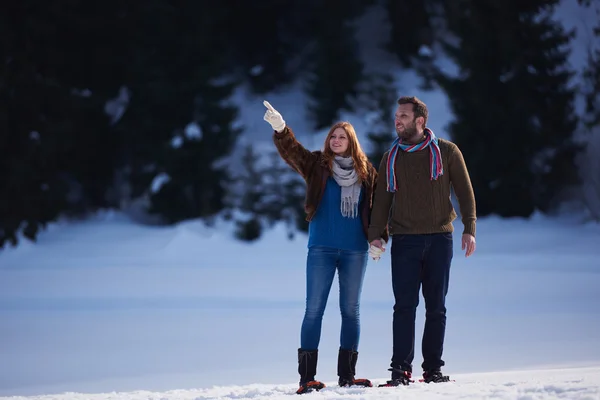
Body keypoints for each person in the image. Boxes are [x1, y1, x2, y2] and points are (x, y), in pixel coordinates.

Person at [262, 100, 388, 394]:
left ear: (352, 141)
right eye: (333, 136)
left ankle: (347, 375)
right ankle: (307, 379)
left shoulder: (368, 173)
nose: (336, 140)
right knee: (314, 310)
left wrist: (379, 237)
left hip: (355, 250)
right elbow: (293, 152)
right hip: (321, 249)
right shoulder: (317, 166)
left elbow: (380, 208)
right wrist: (281, 128)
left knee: (351, 311)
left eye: (342, 136)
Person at [367, 96, 476, 386]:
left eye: (403, 115)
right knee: (404, 307)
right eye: (396, 115)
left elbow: (465, 192)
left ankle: (433, 370)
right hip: (404, 240)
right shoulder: (391, 156)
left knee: (436, 307)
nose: (397, 120)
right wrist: (375, 235)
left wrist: (470, 227)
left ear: (420, 121)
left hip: (440, 238)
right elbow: (382, 200)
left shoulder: (447, 152)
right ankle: (400, 371)